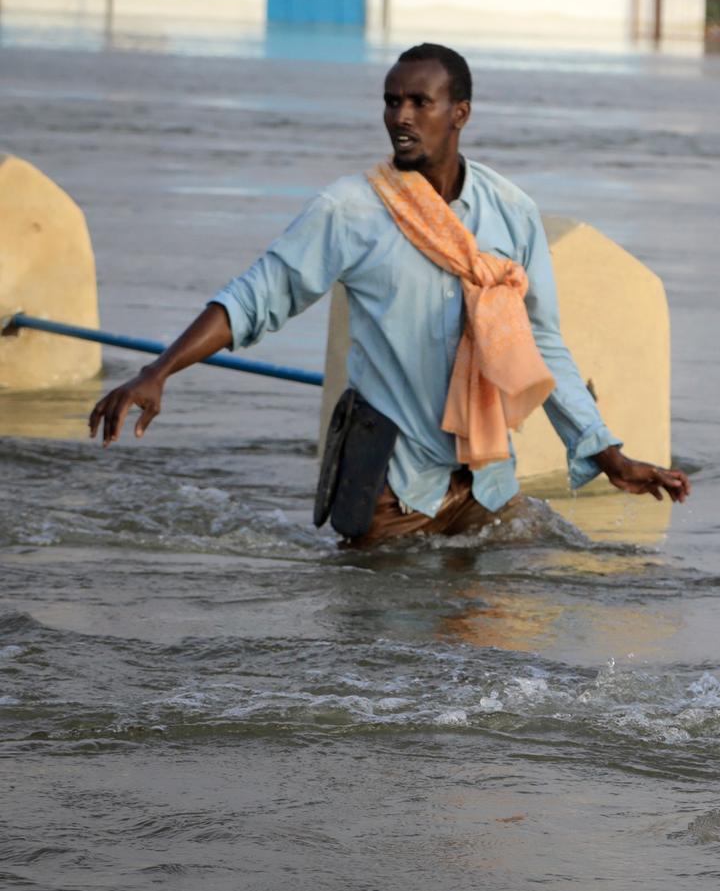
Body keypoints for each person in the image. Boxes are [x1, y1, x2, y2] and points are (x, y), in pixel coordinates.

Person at [88, 43, 687, 546]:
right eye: (391, 101)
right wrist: (159, 371)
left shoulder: (511, 213)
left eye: (419, 102)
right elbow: (255, 297)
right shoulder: (350, 211)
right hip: (390, 492)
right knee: (382, 662)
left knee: (496, 655)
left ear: (460, 112)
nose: (400, 116)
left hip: (486, 483)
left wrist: (606, 453)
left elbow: (542, 343)